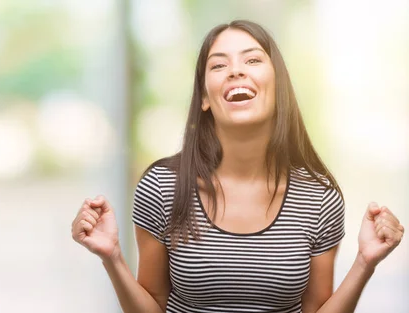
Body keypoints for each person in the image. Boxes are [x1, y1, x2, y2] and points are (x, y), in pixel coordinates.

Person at [70, 20, 404, 313]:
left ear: (278, 88)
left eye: (253, 60)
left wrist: (364, 262)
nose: (235, 70)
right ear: (204, 98)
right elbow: (153, 306)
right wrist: (112, 257)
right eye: (218, 66)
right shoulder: (162, 187)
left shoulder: (318, 198)